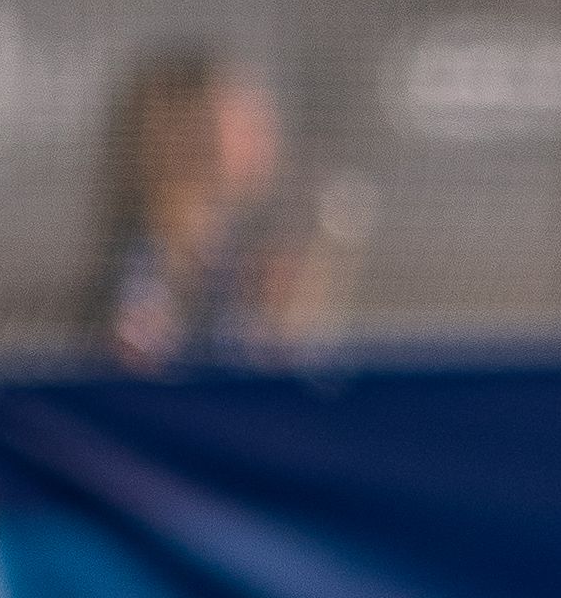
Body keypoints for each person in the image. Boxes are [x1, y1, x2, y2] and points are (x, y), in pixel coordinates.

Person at [86, 50, 370, 370]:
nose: (267, 138)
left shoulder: (232, 260)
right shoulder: (142, 274)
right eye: (246, 123)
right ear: (184, 138)